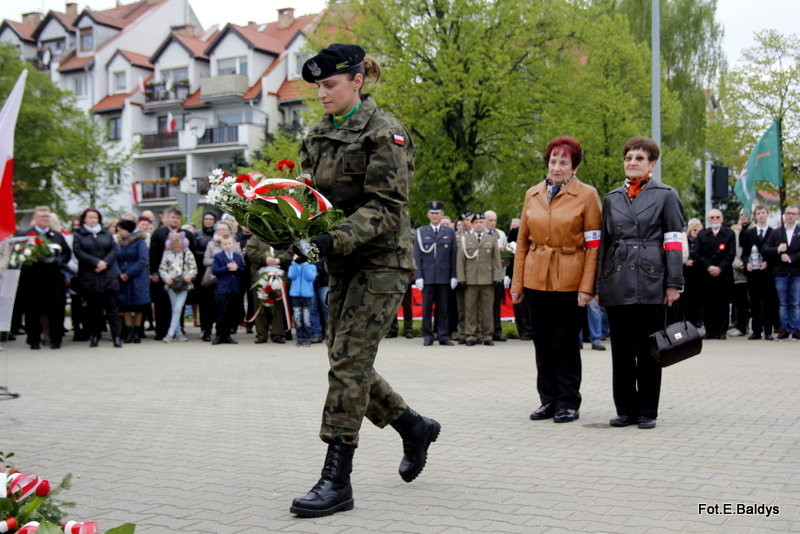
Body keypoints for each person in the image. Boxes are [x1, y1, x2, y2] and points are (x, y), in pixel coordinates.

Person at [289, 43, 440, 518]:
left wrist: (331, 240)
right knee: (344, 358)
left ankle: (337, 479)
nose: (322, 94)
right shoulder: (317, 134)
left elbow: (386, 206)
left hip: (381, 261)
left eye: (330, 85)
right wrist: (283, 226)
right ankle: (412, 426)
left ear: (357, 81)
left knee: (349, 363)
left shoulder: (385, 132)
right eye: (318, 87)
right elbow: (309, 199)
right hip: (342, 261)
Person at [511, 136, 601, 424]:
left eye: (564, 162)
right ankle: (547, 399)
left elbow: (594, 245)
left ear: (575, 167)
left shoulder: (587, 195)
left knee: (566, 343)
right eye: (553, 161)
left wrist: (587, 287)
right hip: (536, 277)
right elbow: (522, 242)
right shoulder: (532, 194)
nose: (557, 167)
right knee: (542, 342)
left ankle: (568, 401)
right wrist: (517, 284)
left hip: (570, 278)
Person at [596, 136, 684, 430]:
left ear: (652, 164)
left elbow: (673, 241)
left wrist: (673, 283)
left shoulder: (666, 195)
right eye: (628, 157)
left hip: (652, 279)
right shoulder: (611, 198)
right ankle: (624, 409)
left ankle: (647, 410)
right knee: (621, 351)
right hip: (617, 279)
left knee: (649, 350)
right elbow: (604, 243)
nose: (632, 162)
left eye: (639, 158)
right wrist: (598, 284)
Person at [16, 206, 71, 349]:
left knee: (56, 309)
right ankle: (34, 340)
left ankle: (55, 339)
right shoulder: (26, 236)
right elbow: (18, 255)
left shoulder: (57, 235)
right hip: (33, 279)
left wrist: (59, 260)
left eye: (47, 216)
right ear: (35, 218)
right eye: (42, 216)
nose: (45, 219)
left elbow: (66, 253)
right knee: (32, 309)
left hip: (53, 278)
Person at [72, 208, 122, 348]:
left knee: (112, 308)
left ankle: (116, 336)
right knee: (93, 309)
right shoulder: (79, 234)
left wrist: (104, 262)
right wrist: (95, 262)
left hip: (107, 275)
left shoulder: (106, 233)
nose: (93, 220)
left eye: (96, 217)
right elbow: (78, 252)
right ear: (84, 219)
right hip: (90, 275)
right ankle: (95, 336)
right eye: (90, 217)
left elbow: (114, 249)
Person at [413, 200, 457, 346]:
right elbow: (417, 256)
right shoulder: (421, 232)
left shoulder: (449, 232)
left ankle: (443, 335)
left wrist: (454, 276)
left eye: (437, 213)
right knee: (426, 308)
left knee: (443, 308)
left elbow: (453, 256)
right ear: (428, 215)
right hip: (427, 277)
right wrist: (418, 276)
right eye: (432, 213)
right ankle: (427, 336)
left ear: (442, 214)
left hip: (444, 277)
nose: (435, 216)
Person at [149, 207, 195, 341]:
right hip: (165, 275)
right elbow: (153, 254)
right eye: (173, 217)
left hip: (182, 276)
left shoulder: (186, 234)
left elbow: (192, 256)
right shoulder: (159, 233)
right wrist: (154, 272)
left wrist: (191, 274)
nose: (175, 220)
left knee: (178, 306)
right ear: (166, 218)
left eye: (178, 218)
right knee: (162, 304)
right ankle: (162, 331)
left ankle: (178, 331)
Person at [457, 212, 503, 346]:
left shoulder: (491, 239)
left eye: (481, 222)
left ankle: (487, 335)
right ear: (472, 224)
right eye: (476, 222)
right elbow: (460, 261)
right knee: (470, 309)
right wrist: (461, 278)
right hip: (470, 279)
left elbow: (496, 260)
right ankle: (470, 335)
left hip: (487, 279)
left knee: (487, 309)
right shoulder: (465, 239)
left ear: (485, 223)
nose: (478, 225)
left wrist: (497, 278)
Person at [696, 209, 735, 339]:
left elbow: (731, 254)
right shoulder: (702, 234)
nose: (715, 219)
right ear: (708, 220)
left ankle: (722, 331)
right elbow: (697, 253)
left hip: (723, 274)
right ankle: (709, 331)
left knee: (723, 303)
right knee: (708, 303)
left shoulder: (729, 234)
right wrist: (708, 267)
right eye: (712, 217)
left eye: (717, 217)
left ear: (722, 219)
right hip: (706, 275)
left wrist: (719, 268)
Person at [740, 205, 778, 340]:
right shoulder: (748, 233)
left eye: (763, 212)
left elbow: (775, 252)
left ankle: (768, 331)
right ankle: (756, 331)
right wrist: (747, 263)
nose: (761, 215)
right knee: (755, 302)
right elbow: (744, 253)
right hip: (753, 273)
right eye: (758, 213)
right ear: (755, 216)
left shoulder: (773, 232)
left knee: (768, 302)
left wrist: (767, 262)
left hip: (768, 273)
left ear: (767, 214)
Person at [763, 205, 800, 340]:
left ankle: (796, 328)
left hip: (796, 271)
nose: (790, 216)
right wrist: (778, 250)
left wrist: (791, 258)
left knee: (795, 302)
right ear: (784, 215)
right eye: (788, 213)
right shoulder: (776, 232)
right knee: (783, 302)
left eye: (793, 213)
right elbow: (765, 248)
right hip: (780, 272)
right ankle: (784, 328)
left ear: (797, 216)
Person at [245, 235, 290, 344]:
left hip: (279, 275)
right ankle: (261, 334)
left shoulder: (281, 235)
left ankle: (277, 334)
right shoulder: (255, 238)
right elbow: (250, 251)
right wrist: (264, 259)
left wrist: (279, 259)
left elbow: (290, 250)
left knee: (278, 305)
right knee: (260, 305)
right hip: (260, 275)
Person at [114, 218, 150, 343]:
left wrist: (129, 273)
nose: (118, 232)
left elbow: (142, 259)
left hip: (137, 276)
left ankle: (137, 332)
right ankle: (128, 332)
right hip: (122, 276)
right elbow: (115, 259)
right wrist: (119, 273)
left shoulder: (140, 241)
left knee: (138, 305)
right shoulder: (119, 243)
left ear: (127, 230)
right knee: (125, 305)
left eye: (120, 230)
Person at [158, 233, 197, 342]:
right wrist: (166, 278)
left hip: (184, 284)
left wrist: (189, 275)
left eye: (179, 245)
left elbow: (193, 268)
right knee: (175, 309)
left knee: (178, 308)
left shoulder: (188, 253)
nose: (177, 248)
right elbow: (162, 268)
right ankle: (179, 333)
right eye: (175, 246)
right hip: (171, 285)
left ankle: (170, 333)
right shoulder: (167, 253)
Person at [210, 235, 244, 345]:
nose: (227, 246)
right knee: (221, 312)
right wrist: (227, 268)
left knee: (231, 312)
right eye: (225, 244)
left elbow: (242, 269)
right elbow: (215, 270)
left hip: (235, 288)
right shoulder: (218, 257)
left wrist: (237, 268)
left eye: (229, 243)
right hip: (223, 288)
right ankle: (219, 335)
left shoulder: (237, 256)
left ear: (233, 244)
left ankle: (227, 335)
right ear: (221, 245)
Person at [193, 211, 218, 341]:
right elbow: (193, 251)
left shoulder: (217, 235)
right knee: (204, 303)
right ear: (203, 221)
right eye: (206, 219)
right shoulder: (197, 234)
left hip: (217, 271)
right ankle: (205, 329)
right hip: (202, 272)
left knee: (216, 303)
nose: (208, 221)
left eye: (211, 219)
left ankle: (217, 328)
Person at [288, 256, 318, 347]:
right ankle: (300, 338)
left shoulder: (311, 267)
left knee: (306, 318)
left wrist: (305, 264)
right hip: (295, 295)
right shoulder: (293, 266)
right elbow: (291, 275)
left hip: (307, 296)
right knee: (297, 318)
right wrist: (295, 263)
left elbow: (310, 277)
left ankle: (307, 338)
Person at [681, 218, 704, 328]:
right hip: (685, 271)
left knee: (698, 297)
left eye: (699, 230)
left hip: (698, 271)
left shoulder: (702, 240)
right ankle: (687, 320)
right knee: (687, 297)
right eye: (695, 230)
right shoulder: (684, 239)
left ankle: (698, 320)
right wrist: (684, 261)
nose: (697, 232)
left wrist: (694, 261)